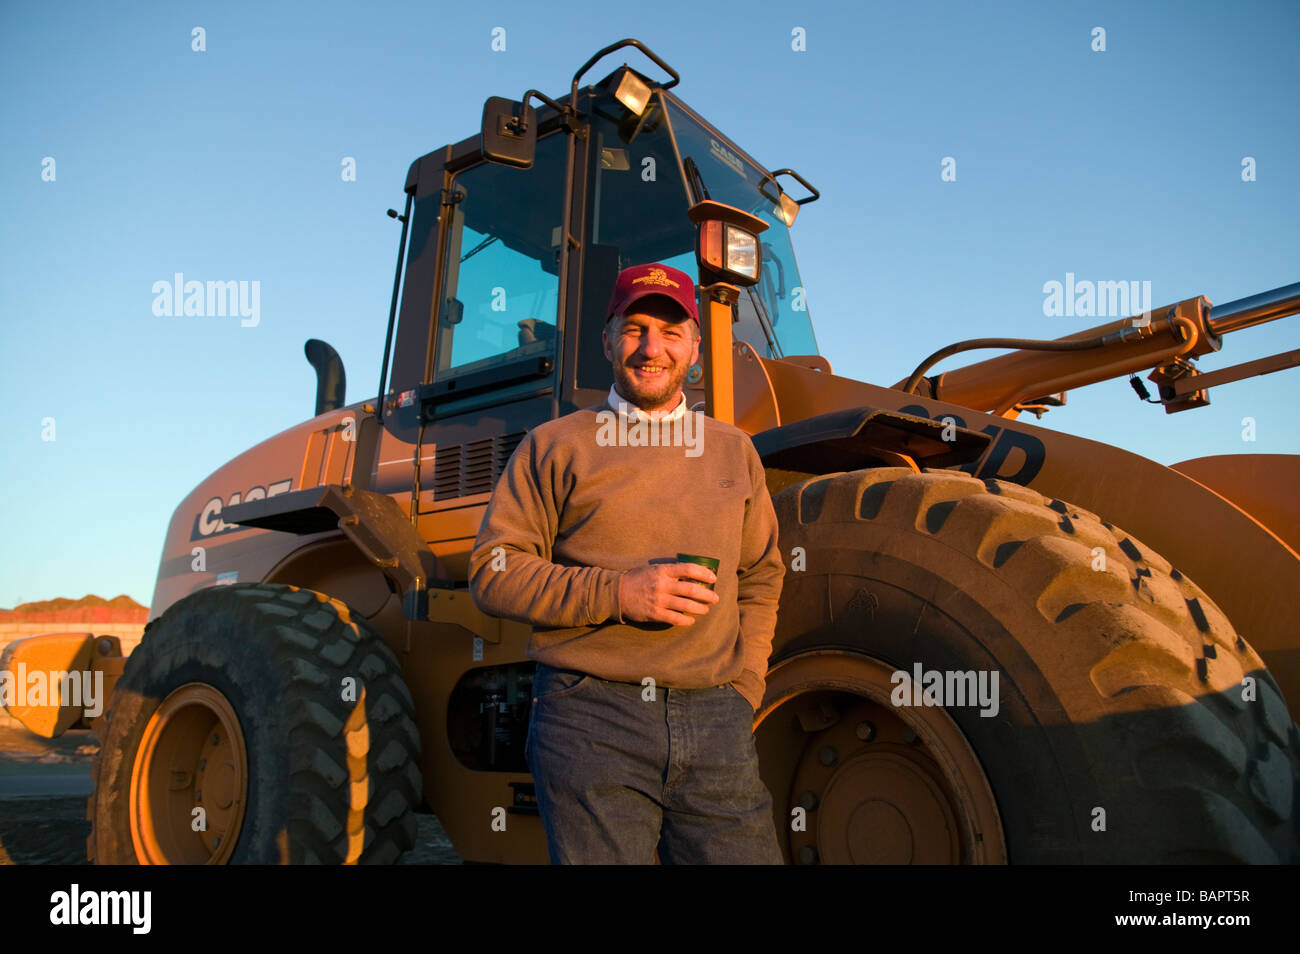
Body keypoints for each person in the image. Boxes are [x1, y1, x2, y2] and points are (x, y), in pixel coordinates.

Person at [467, 262, 786, 864]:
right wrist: (620, 593)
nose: (651, 348)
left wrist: (746, 685)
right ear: (608, 339)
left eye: (670, 333)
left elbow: (763, 574)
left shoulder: (734, 450)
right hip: (590, 716)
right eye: (635, 328)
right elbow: (494, 570)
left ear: (695, 346)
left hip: (715, 717)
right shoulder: (555, 444)